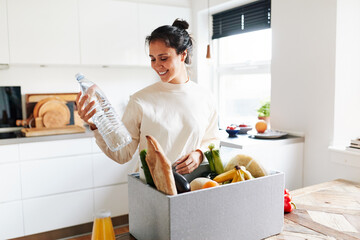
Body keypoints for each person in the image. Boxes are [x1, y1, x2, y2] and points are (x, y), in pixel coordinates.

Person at [76, 19, 220, 175]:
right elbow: (123, 154)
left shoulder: (205, 97)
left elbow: (212, 140)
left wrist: (199, 154)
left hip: (192, 185)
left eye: (163, 58)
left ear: (182, 55)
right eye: (153, 59)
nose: (157, 65)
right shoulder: (140, 100)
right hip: (152, 188)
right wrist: (96, 125)